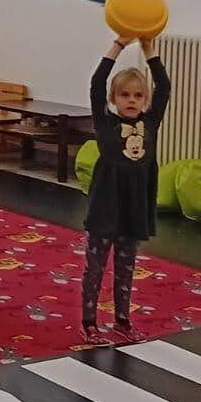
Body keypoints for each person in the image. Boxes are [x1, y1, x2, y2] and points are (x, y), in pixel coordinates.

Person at [81, 36, 170, 342]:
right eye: (124, 95)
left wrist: (148, 50)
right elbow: (96, 84)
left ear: (145, 100)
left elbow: (164, 86)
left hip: (133, 207)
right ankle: (89, 322)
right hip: (105, 206)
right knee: (95, 267)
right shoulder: (105, 123)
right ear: (113, 98)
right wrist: (118, 46)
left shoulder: (151, 123)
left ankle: (122, 319)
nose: (131, 100)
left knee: (126, 266)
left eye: (138, 95)